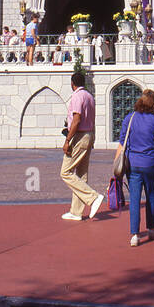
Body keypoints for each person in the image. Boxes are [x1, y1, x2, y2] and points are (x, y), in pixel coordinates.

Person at [113, 88, 154, 246]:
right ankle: (151, 228)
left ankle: (135, 234)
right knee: (151, 196)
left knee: (134, 199)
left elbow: (122, 143)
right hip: (150, 164)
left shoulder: (129, 118)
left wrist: (116, 167)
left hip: (132, 164)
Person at [61, 69, 102, 221]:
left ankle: (93, 197)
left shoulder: (77, 96)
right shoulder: (89, 96)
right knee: (81, 174)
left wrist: (67, 141)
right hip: (89, 134)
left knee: (65, 172)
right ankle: (76, 211)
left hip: (80, 135)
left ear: (72, 84)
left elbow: (77, 119)